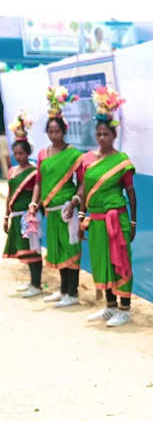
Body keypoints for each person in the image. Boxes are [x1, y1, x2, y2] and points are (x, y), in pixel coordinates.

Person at [76, 86, 136, 327]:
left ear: (114, 136)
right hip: (97, 220)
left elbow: (131, 193)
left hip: (116, 219)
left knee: (120, 260)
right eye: (99, 134)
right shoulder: (88, 160)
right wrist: (81, 214)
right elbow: (82, 189)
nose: (102, 138)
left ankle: (125, 308)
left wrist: (133, 222)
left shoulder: (121, 161)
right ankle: (110, 306)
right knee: (102, 261)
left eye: (106, 134)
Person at [30, 90, 83, 308]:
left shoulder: (73, 155)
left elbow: (82, 183)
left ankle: (73, 292)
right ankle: (63, 290)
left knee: (71, 249)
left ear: (64, 131)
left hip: (66, 209)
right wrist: (34, 203)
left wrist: (75, 202)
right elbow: (39, 182)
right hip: (49, 210)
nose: (54, 135)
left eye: (57, 131)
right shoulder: (43, 154)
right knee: (58, 249)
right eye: (50, 131)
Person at [3, 112, 42, 297]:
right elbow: (10, 194)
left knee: (32, 249)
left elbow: (38, 192)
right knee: (23, 249)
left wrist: (33, 211)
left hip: (29, 216)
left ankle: (37, 284)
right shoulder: (12, 171)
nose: (18, 156)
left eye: (22, 153)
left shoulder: (33, 172)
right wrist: (6, 216)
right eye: (16, 153)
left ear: (28, 153)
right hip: (16, 215)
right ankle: (31, 282)